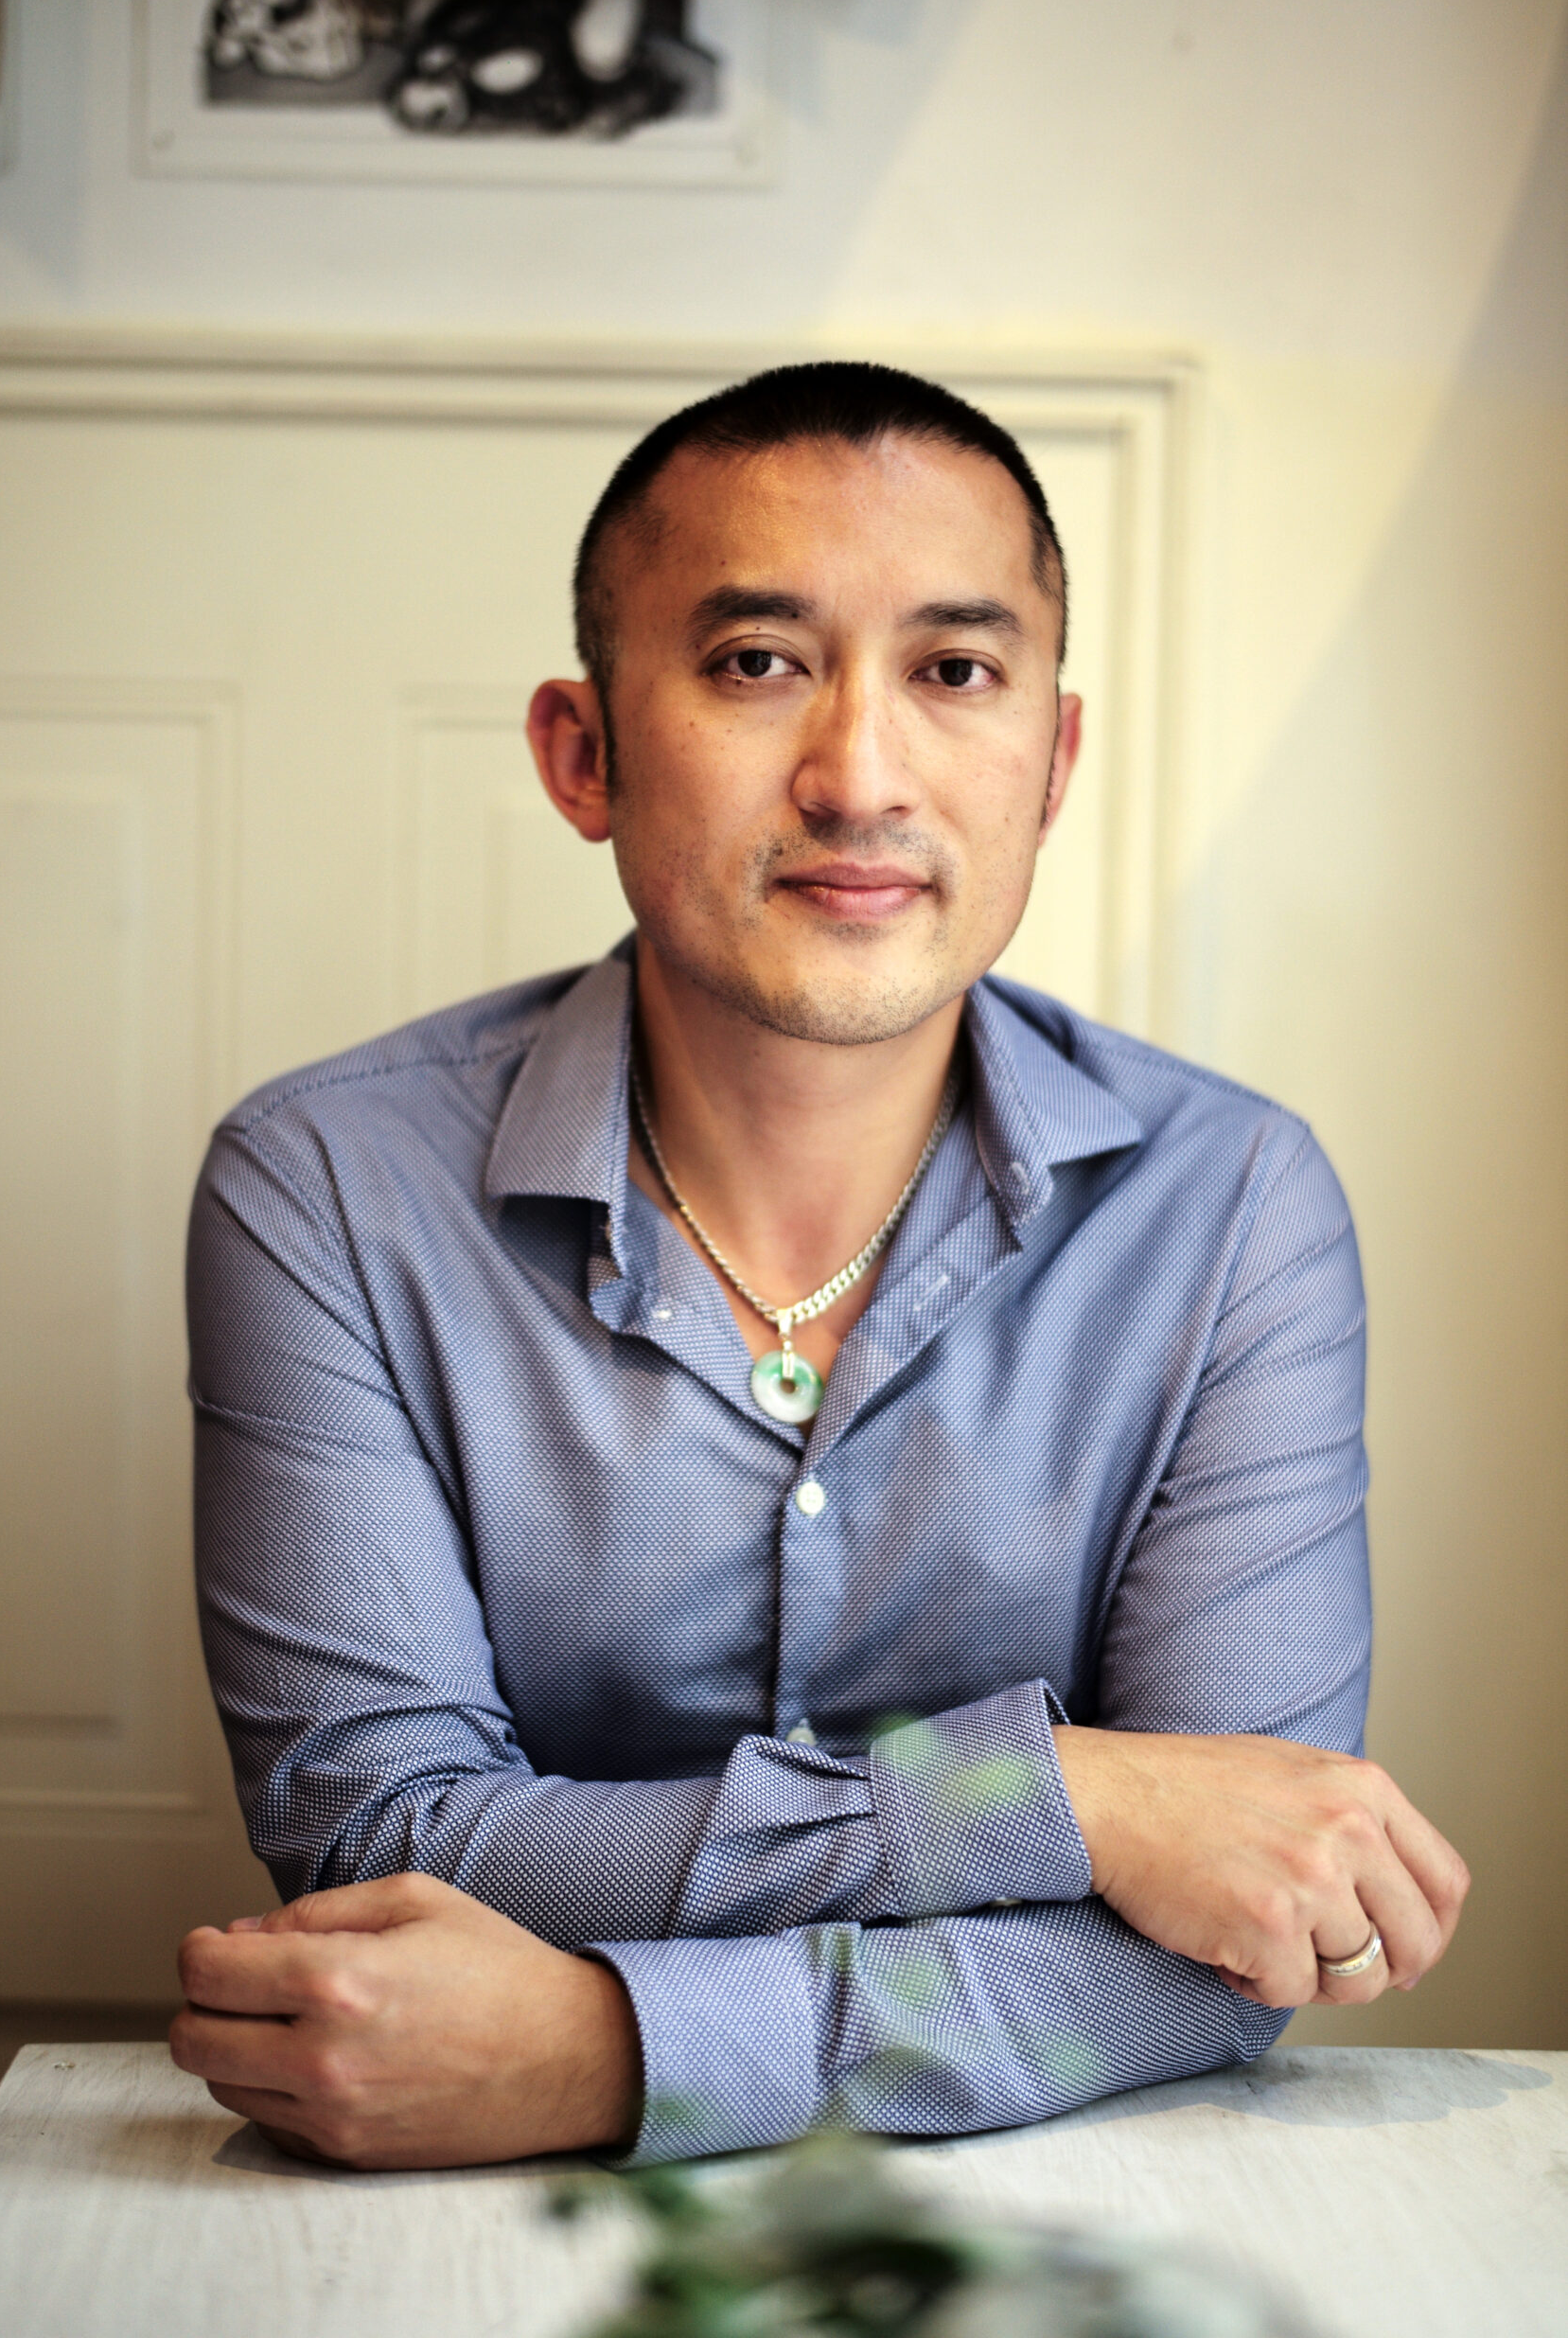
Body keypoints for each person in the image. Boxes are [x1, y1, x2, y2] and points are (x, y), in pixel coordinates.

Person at [170, 362, 1468, 2171]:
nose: (862, 775)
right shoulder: (323, 1189)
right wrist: (1068, 1794)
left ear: (1052, 759)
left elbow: (1238, 1941)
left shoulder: (1232, 1205)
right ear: (583, 753)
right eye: (756, 663)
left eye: (955, 673)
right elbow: (379, 1838)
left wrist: (618, 2053)